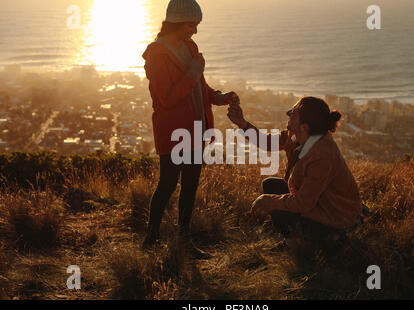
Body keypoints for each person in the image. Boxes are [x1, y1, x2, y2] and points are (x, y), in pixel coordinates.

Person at [141, 0, 237, 257]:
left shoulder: (189, 46)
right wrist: (193, 73)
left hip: (196, 130)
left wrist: (218, 96)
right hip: (174, 132)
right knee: (168, 183)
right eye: (190, 24)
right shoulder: (156, 55)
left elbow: (199, 88)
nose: (194, 31)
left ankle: (184, 241)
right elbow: (167, 98)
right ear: (175, 22)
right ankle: (151, 238)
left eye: (196, 25)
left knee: (191, 185)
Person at [227, 96, 364, 244]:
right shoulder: (296, 136)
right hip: (316, 202)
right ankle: (300, 236)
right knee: (271, 185)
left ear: (304, 126)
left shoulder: (322, 155)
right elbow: (267, 142)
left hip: (334, 215)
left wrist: (268, 201)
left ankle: (322, 239)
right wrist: (242, 123)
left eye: (293, 113)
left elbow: (302, 203)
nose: (288, 113)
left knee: (280, 212)